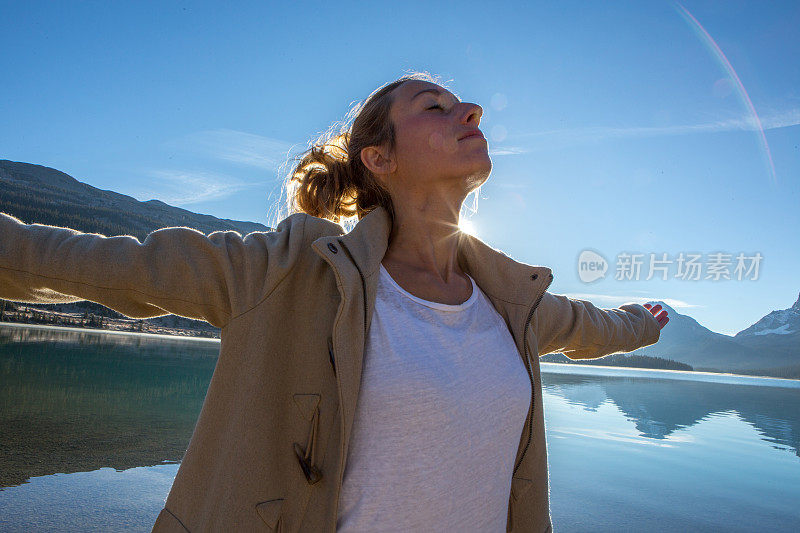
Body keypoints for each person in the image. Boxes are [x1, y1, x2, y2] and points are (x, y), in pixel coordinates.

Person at [0, 71, 668, 532]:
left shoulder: (510, 301)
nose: (471, 112)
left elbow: (589, 325)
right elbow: (96, 263)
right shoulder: (289, 272)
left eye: (462, 104)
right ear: (380, 158)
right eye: (434, 106)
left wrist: (644, 323)